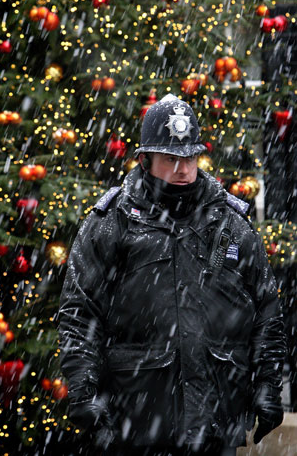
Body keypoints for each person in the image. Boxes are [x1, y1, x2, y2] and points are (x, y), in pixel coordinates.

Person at [58, 94, 286, 456]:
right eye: (171, 159)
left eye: (190, 157)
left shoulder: (230, 222)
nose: (183, 169)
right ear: (145, 160)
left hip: (215, 419)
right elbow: (79, 313)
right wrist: (84, 392)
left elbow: (267, 310)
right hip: (136, 420)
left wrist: (268, 384)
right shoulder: (111, 223)